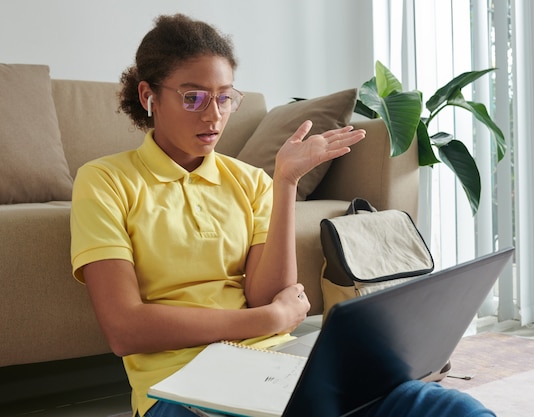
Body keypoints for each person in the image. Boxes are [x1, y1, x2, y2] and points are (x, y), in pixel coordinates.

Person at [70, 14, 496, 417]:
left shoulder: (251, 181)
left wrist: (286, 183)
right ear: (149, 96)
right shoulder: (105, 181)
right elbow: (125, 328)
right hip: (179, 386)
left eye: (224, 97)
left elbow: (265, 292)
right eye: (193, 96)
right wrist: (267, 319)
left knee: (434, 403)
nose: (213, 114)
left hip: (273, 365)